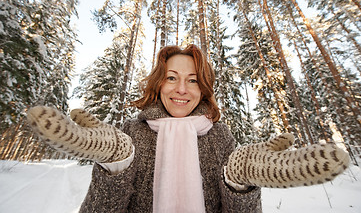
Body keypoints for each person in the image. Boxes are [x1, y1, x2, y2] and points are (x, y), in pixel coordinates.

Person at [27, 44, 350, 213]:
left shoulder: (220, 136)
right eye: (172, 77)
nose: (182, 89)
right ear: (159, 84)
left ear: (203, 89)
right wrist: (115, 165)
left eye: (192, 80)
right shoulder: (132, 132)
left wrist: (240, 181)